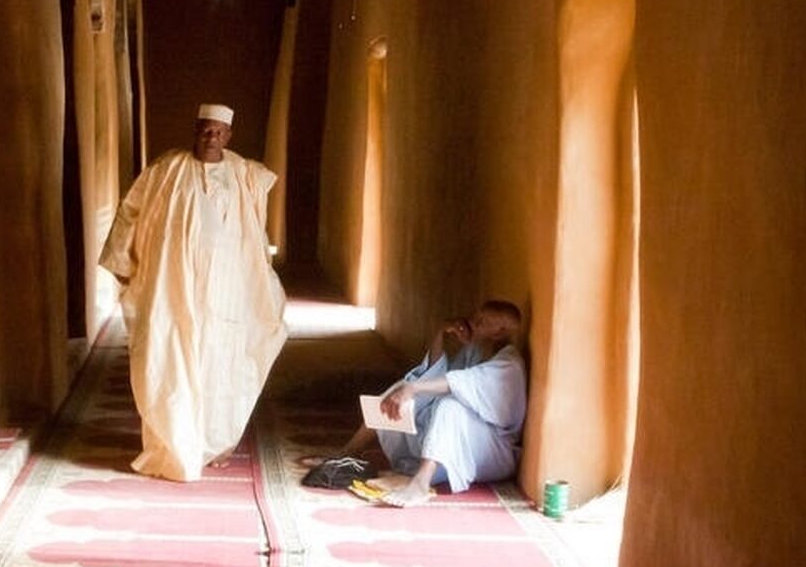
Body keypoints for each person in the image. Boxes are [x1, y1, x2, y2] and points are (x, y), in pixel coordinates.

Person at [100, 103, 287, 482]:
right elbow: (132, 211)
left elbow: (256, 223)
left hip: (226, 289)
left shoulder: (244, 174)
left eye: (219, 132)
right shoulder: (166, 169)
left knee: (221, 363)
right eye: (205, 130)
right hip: (173, 286)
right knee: (169, 356)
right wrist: (124, 262)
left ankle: (215, 442)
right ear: (195, 130)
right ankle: (171, 444)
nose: (211, 137)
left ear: (229, 135)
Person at [319, 300, 528, 508]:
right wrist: (441, 333)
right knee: (404, 387)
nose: (473, 323)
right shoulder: (475, 352)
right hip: (461, 446)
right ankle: (348, 451)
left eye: (482, 322)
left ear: (499, 333)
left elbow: (456, 383)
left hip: (494, 451)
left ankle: (420, 483)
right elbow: (435, 373)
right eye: (475, 317)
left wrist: (413, 389)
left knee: (449, 407)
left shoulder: (509, 365)